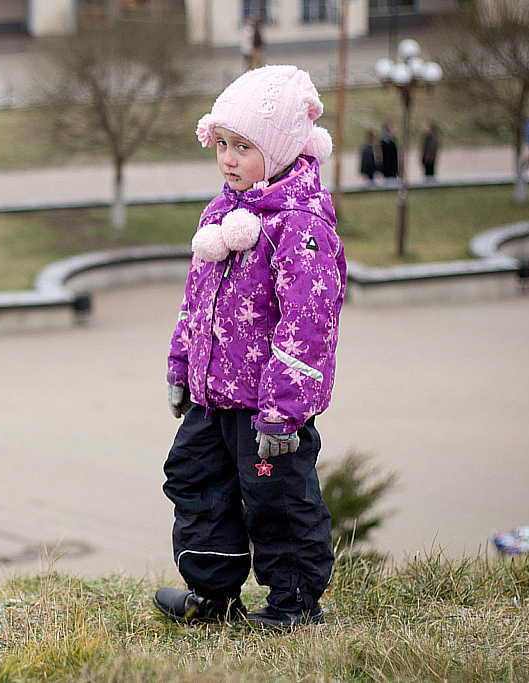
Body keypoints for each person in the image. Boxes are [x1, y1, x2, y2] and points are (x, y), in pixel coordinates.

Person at [152, 65, 346, 632]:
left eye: (244, 148)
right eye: (223, 145)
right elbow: (197, 300)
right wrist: (181, 365)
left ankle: (294, 604)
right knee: (195, 481)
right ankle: (214, 594)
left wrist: (285, 412)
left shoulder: (300, 224)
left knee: (277, 499)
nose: (228, 159)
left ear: (282, 148)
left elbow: (308, 325)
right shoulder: (221, 212)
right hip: (214, 396)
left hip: (268, 410)